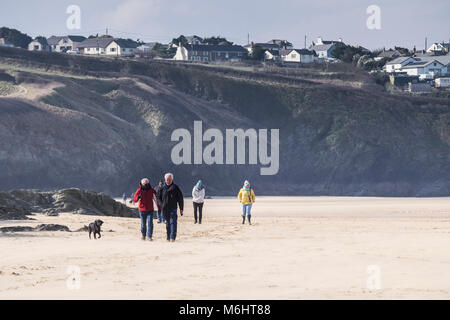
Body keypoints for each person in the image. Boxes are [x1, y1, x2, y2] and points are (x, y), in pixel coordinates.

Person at [156, 173, 184, 242]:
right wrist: (161, 204)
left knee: (173, 222)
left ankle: (172, 237)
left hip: (173, 208)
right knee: (168, 223)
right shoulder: (162, 188)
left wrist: (181, 208)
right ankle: (168, 237)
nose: (168, 181)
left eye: (170, 179)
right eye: (167, 179)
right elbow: (158, 197)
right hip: (165, 208)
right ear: (165, 180)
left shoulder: (176, 188)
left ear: (172, 179)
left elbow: (180, 198)